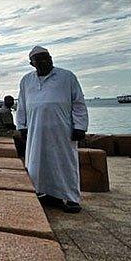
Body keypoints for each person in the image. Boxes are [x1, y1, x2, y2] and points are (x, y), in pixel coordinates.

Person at [16, 46, 88, 213]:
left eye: (47, 57)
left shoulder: (67, 77)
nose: (45, 61)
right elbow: (22, 106)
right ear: (31, 63)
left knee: (65, 163)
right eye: (39, 59)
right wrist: (22, 126)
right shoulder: (26, 80)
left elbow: (78, 103)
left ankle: (71, 198)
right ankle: (47, 194)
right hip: (36, 131)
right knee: (38, 164)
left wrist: (80, 126)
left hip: (62, 131)